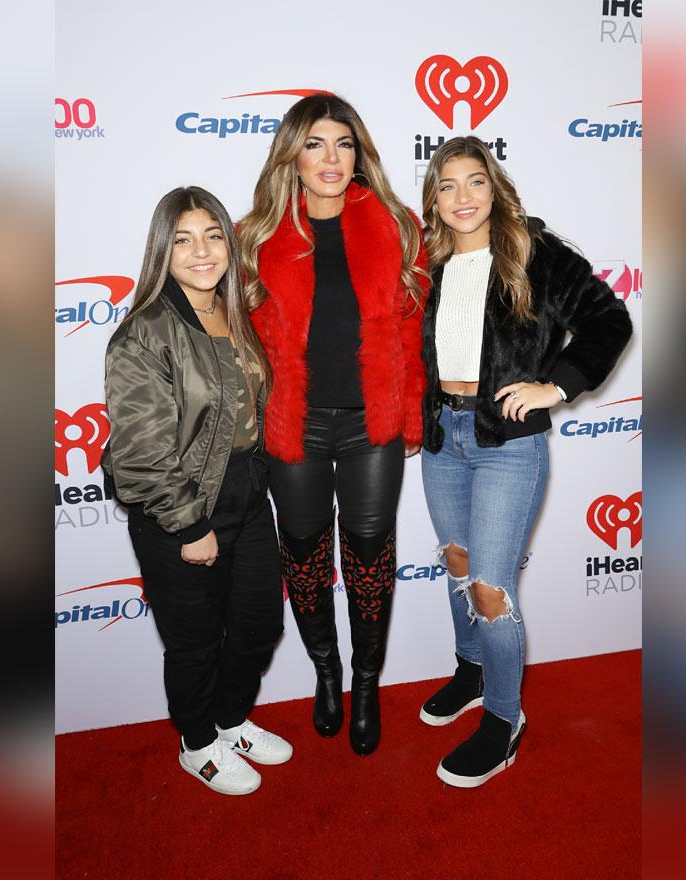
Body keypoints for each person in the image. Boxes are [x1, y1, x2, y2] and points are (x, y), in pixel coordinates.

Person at [416, 136, 633, 787]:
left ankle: (504, 721)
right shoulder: (426, 260)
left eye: (474, 182)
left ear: (496, 187)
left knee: (490, 587)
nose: (462, 197)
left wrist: (558, 384)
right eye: (447, 185)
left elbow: (608, 317)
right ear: (435, 198)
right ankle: (472, 670)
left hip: (508, 445)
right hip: (441, 439)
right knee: (456, 560)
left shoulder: (533, 252)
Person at [239, 94, 429, 756]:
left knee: (371, 558)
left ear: (360, 155)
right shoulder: (254, 237)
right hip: (293, 425)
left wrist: (409, 417)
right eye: (315, 143)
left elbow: (411, 333)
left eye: (343, 143)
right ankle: (327, 672)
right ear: (291, 154)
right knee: (305, 557)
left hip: (371, 424)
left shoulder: (397, 227)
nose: (330, 158)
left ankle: (368, 683)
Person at [104, 186, 290, 796]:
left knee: (259, 622)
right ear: (163, 250)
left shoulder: (235, 312)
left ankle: (231, 719)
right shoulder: (145, 332)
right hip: (177, 507)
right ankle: (197, 741)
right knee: (195, 641)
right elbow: (138, 454)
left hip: (245, 491)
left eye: (212, 235)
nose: (201, 250)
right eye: (182, 239)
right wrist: (189, 526)